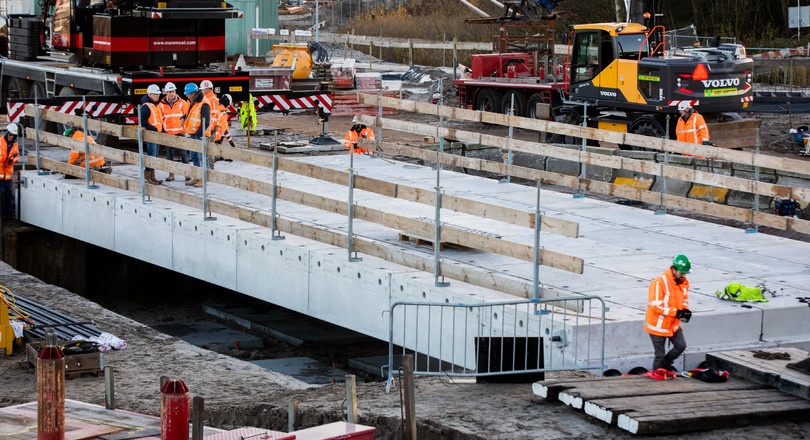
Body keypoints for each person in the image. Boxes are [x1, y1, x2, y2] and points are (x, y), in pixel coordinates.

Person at [644, 254, 692, 372]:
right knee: (659, 355)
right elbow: (656, 306)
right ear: (674, 269)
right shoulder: (659, 283)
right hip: (657, 326)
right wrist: (676, 313)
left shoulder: (683, 282)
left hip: (672, 324)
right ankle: (658, 374)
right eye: (682, 273)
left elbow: (684, 299)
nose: (683, 276)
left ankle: (665, 365)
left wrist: (685, 310)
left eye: (685, 273)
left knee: (681, 346)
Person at [182, 82, 211, 187]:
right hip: (194, 133)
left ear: (193, 93)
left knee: (202, 156)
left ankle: (203, 179)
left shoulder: (204, 103)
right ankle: (197, 177)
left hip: (201, 134)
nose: (187, 96)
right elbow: (190, 113)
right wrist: (183, 117)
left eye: (188, 94)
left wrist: (199, 134)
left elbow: (206, 122)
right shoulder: (193, 101)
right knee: (194, 156)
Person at [159, 82, 190, 182]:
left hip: (180, 131)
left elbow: (187, 116)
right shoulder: (162, 105)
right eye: (169, 92)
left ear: (175, 91)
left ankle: (187, 174)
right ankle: (171, 174)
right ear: (166, 92)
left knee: (184, 154)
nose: (171, 94)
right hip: (169, 133)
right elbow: (160, 118)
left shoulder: (182, 103)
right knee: (169, 154)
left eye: (172, 91)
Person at [140, 84, 164, 185]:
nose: (158, 96)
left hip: (155, 134)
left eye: (158, 94)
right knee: (151, 155)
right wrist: (153, 129)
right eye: (155, 94)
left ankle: (152, 177)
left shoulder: (154, 104)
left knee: (155, 155)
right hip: (151, 134)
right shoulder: (146, 106)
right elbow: (143, 121)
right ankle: (148, 177)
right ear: (150, 94)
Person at [0, 123, 20, 219]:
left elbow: (17, 157)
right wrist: (3, 159)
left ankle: (8, 212)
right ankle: (3, 213)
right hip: (0, 173)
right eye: (10, 135)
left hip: (7, 174)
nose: (11, 137)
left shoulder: (15, 145)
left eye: (13, 135)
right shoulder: (0, 142)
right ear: (7, 133)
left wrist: (12, 160)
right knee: (2, 192)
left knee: (8, 193)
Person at [199, 80, 220, 168]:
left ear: (207, 89)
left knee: (209, 149)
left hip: (209, 127)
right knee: (209, 148)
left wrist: (208, 128)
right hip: (210, 127)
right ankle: (209, 168)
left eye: (202, 90)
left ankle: (210, 169)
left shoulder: (210, 99)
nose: (201, 91)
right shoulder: (211, 98)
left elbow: (213, 115)